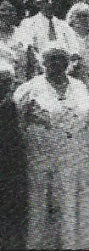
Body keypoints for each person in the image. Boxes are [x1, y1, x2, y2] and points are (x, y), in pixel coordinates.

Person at [15, 45, 89, 249]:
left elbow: (85, 113)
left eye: (62, 59)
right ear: (43, 62)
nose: (57, 64)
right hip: (41, 152)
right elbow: (19, 119)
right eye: (51, 59)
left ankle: (72, 244)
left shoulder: (78, 86)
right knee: (41, 201)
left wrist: (52, 119)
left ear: (68, 62)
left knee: (71, 199)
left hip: (73, 152)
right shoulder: (29, 88)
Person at [0, 65, 26, 250]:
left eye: (9, 81)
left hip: (12, 164)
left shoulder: (12, 105)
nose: (6, 85)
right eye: (2, 82)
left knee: (12, 206)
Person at [65, 2, 89, 103]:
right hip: (75, 83)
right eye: (79, 16)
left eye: (86, 16)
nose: (83, 19)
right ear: (72, 19)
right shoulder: (66, 38)